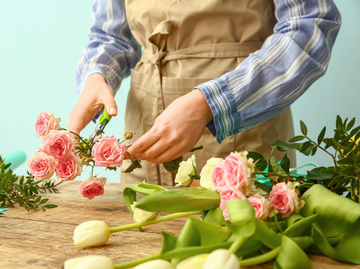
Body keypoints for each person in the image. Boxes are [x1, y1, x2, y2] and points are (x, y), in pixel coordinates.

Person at [68, 0, 341, 186]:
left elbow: (311, 26)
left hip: (245, 135)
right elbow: (110, 36)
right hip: (143, 137)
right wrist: (97, 74)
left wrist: (210, 104)